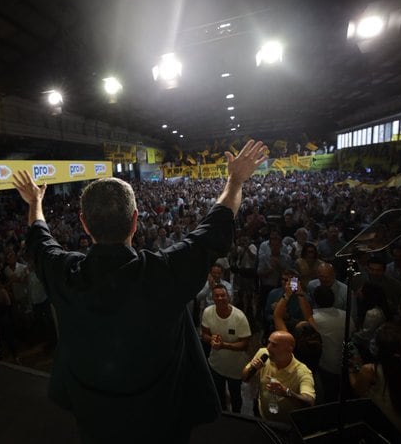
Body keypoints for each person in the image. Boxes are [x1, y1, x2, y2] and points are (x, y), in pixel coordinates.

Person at [13, 139, 267, 443]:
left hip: (95, 419)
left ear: (84, 224)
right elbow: (220, 220)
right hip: (161, 421)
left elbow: (38, 237)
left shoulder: (63, 274)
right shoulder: (165, 272)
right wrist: (235, 179)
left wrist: (35, 203)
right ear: (135, 220)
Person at [348, 323, 401, 443]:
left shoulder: (370, 370)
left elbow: (357, 390)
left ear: (378, 348)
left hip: (388, 435)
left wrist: (351, 370)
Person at [242, 330, 315, 424]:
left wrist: (286, 392)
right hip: (261, 415)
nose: (268, 348)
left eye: (274, 345)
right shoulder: (263, 354)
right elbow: (244, 378)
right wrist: (252, 368)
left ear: (289, 349)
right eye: (268, 343)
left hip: (285, 424)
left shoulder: (302, 372)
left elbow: (309, 402)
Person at [200, 283, 251, 413]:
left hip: (235, 367)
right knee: (218, 394)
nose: (220, 298)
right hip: (216, 365)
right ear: (213, 298)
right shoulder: (208, 312)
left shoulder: (239, 317)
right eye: (217, 296)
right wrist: (211, 339)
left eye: (223, 295)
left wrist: (224, 345)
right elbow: (204, 334)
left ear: (228, 297)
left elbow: (244, 344)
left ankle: (237, 418)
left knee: (235, 396)